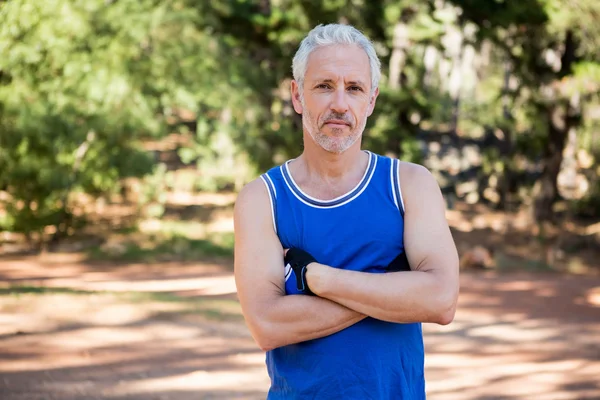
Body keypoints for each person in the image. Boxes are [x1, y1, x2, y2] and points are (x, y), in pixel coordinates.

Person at [233, 23, 459, 399]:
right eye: (324, 86)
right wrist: (393, 289)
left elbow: (441, 300)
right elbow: (267, 323)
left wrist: (322, 280)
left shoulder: (409, 185)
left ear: (370, 100)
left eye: (354, 88)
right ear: (297, 95)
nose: (340, 103)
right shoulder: (262, 199)